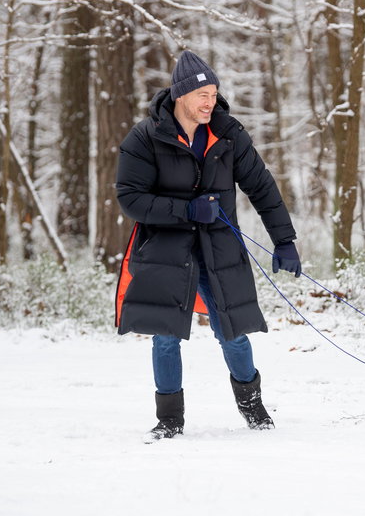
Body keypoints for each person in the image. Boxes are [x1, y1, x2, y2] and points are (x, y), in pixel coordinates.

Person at [115, 50, 302, 442]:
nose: (209, 101)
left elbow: (261, 187)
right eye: (202, 93)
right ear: (181, 94)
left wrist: (284, 239)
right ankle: (169, 420)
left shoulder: (229, 134)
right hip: (166, 251)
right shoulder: (145, 137)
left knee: (232, 331)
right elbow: (130, 197)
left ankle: (253, 408)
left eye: (214, 93)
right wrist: (186, 210)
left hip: (219, 249)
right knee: (165, 335)